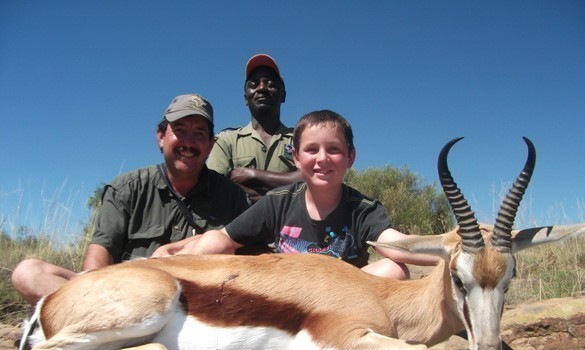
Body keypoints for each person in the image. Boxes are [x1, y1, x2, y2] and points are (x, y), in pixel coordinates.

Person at [11, 94, 250, 305]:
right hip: (124, 299)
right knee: (28, 273)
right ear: (161, 136)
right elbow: (96, 266)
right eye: (179, 130)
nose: (188, 142)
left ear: (210, 146)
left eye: (199, 134)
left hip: (197, 306)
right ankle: (104, 322)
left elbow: (247, 263)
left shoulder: (232, 196)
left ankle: (101, 331)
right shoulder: (126, 188)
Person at [176, 110, 439, 279]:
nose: (322, 159)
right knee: (215, 245)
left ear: (350, 157)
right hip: (291, 297)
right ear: (297, 158)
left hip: (344, 299)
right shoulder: (279, 202)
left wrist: (454, 247)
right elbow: (222, 238)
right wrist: (174, 257)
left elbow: (396, 244)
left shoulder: (363, 208)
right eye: (312, 150)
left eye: (334, 149)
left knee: (394, 270)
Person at [207, 54, 302, 203]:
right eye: (254, 84)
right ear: (246, 98)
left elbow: (311, 179)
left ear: (283, 95)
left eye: (270, 84)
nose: (262, 88)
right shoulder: (226, 140)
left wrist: (252, 175)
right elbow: (214, 186)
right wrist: (282, 194)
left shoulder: (300, 139)